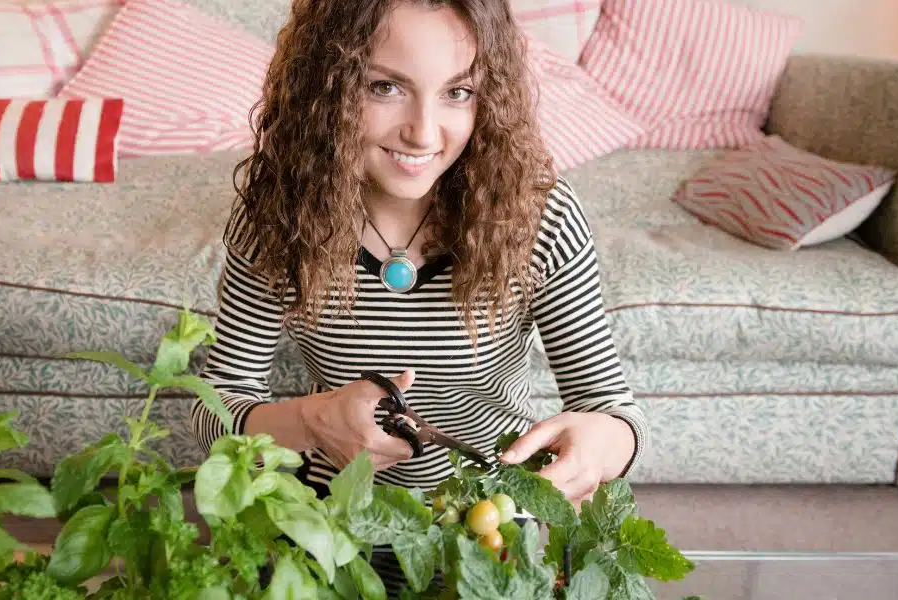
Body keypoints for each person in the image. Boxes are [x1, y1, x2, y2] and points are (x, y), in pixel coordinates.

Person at [190, 0, 647, 589]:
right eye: (385, 87)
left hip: (493, 543)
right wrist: (310, 418)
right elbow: (216, 403)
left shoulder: (543, 218)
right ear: (323, 86)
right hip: (331, 537)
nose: (425, 132)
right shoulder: (275, 215)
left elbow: (614, 409)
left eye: (458, 92)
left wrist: (601, 445)